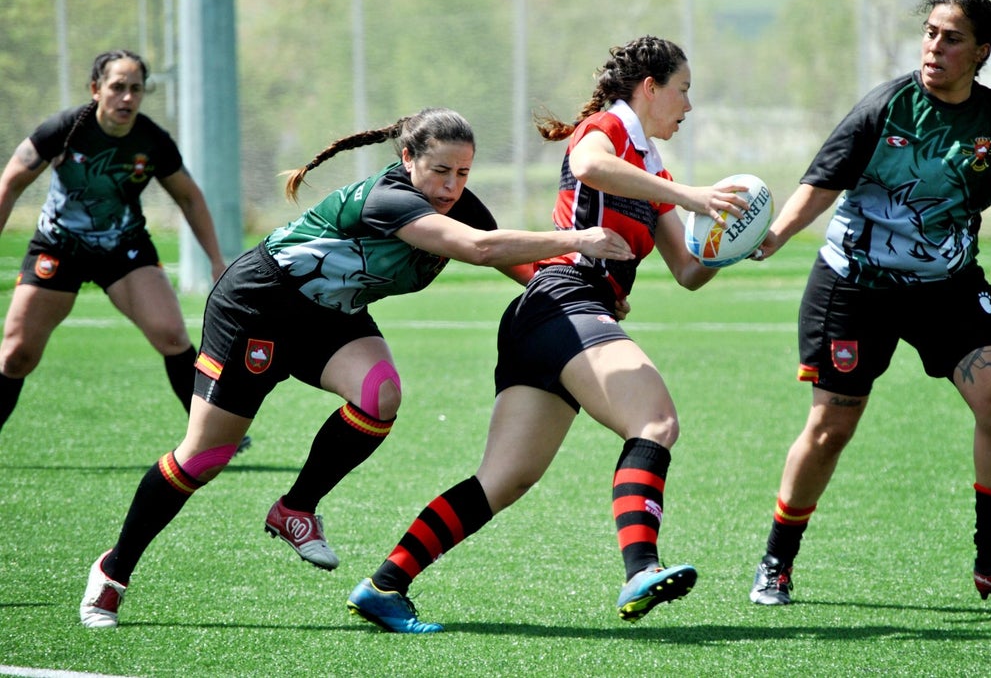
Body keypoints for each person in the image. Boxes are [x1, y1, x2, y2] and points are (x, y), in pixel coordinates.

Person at [79, 106, 634, 628]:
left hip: (329, 317)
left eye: (463, 173)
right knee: (204, 457)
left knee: (380, 395)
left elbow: (519, 263)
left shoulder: (454, 203)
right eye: (440, 170)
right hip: (259, 305)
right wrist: (579, 239)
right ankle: (112, 571)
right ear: (407, 158)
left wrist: (582, 294)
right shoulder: (388, 199)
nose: (451, 186)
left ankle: (295, 509)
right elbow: (483, 249)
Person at [345, 35, 755, 634]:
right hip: (566, 302)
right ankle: (641, 568)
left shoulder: (651, 166)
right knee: (656, 422)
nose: (688, 107)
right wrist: (690, 194)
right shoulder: (607, 129)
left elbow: (688, 271)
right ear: (650, 88)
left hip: (547, 319)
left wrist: (738, 242)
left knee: (502, 480)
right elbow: (587, 164)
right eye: (684, 90)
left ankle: (384, 585)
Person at [747, 0, 991, 607]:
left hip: (947, 287)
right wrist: (776, 237)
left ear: (980, 52)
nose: (934, 47)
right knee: (831, 427)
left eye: (951, 38)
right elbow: (822, 182)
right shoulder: (885, 107)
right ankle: (776, 561)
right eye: (930, 33)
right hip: (855, 285)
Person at [0, 49, 229, 440]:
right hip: (58, 248)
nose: (127, 98)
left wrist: (215, 260)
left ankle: (216, 435)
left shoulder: (152, 140)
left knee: (172, 334)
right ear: (96, 89)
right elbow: (11, 183)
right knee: (17, 355)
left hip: (123, 250)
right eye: (117, 87)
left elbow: (189, 197)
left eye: (136, 89)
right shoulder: (65, 128)